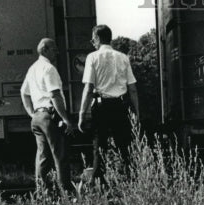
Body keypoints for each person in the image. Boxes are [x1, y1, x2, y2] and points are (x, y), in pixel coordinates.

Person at [78, 24, 139, 184]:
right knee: (125, 147)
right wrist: (136, 113)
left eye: (93, 39)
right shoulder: (123, 57)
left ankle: (99, 185)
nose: (92, 42)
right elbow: (132, 89)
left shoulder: (92, 57)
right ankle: (132, 182)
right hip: (120, 105)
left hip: (101, 106)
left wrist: (82, 113)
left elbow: (89, 88)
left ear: (98, 38)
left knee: (99, 147)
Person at [21, 37, 75, 193]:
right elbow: (55, 95)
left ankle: (42, 193)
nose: (57, 52)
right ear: (44, 49)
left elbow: (23, 93)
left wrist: (32, 113)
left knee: (43, 157)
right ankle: (66, 193)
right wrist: (66, 119)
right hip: (49, 115)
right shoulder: (49, 69)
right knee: (60, 155)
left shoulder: (32, 68)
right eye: (54, 49)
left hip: (37, 117)